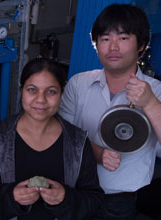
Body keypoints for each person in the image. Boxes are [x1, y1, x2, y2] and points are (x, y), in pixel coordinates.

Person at [59, 4, 161, 219]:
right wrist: (97, 152)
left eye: (123, 38)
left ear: (142, 45)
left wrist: (150, 103)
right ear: (95, 45)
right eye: (105, 39)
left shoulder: (157, 91)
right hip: (74, 191)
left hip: (119, 199)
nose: (113, 47)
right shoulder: (79, 84)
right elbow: (61, 134)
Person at [0, 58, 104, 220]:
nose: (41, 99)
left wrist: (65, 198)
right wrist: (12, 197)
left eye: (51, 91)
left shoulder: (78, 142)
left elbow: (95, 202)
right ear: (21, 91)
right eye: (32, 90)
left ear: (61, 93)